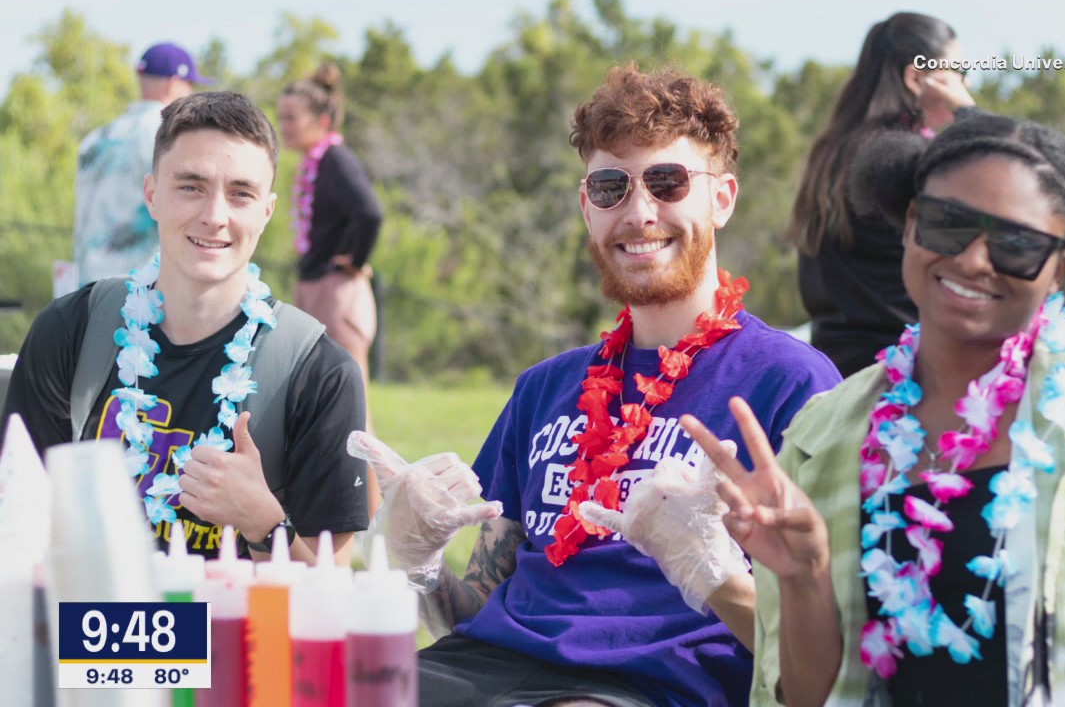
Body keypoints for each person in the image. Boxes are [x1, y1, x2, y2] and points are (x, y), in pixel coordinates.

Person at [686, 114, 1065, 706]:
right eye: (948, 225)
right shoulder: (825, 435)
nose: (974, 259)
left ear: (1062, 268)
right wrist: (805, 574)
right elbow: (809, 698)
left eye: (1017, 245)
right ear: (911, 224)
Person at [364, 64, 841, 707]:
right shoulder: (542, 388)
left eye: (668, 182)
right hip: (481, 670)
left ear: (722, 198)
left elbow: (827, 664)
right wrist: (415, 563)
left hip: (647, 689)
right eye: (611, 186)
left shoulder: (791, 384)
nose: (640, 212)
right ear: (587, 207)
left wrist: (714, 576)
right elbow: (472, 611)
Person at [2, 92, 369, 565]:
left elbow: (330, 594)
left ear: (267, 211)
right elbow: (17, 531)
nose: (215, 216)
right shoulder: (70, 331)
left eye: (241, 193)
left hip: (236, 637)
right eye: (191, 186)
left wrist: (263, 525)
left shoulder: (318, 372)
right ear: (152, 195)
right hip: (86, 634)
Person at [788, 12, 977, 377]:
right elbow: (1008, 179)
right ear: (917, 78)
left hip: (834, 367)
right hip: (900, 373)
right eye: (960, 73)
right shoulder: (907, 158)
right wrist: (968, 114)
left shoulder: (833, 151)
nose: (966, 85)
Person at [278, 63, 384, 515]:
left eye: (291, 118)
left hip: (337, 292)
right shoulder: (314, 163)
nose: (283, 127)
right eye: (280, 117)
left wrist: (354, 260)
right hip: (317, 286)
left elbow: (370, 212)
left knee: (354, 408)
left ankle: (374, 511)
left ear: (321, 122)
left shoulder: (336, 160)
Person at [74, 41, 211, 287]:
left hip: (85, 282)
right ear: (173, 83)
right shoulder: (166, 133)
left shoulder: (97, 137)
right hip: (137, 288)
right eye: (189, 84)